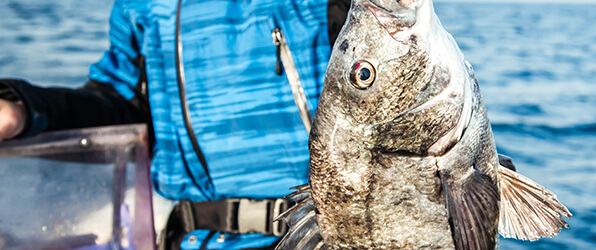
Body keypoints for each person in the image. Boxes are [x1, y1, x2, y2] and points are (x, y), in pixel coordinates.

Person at [0, 0, 350, 249]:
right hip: (193, 238)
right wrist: (24, 108)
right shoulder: (143, 6)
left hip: (324, 234)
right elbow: (122, 103)